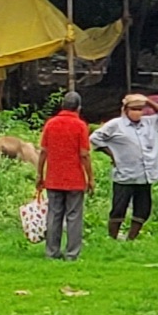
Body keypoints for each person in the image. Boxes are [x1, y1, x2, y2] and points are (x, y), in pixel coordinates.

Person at [90, 92, 158, 240]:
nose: (137, 112)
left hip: (145, 175)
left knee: (143, 208)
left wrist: (148, 102)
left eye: (140, 109)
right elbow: (95, 138)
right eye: (134, 109)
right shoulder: (115, 125)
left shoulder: (150, 123)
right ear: (126, 110)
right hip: (125, 174)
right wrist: (112, 154)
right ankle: (112, 237)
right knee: (119, 208)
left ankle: (131, 238)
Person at [36, 91, 93, 261]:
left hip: (53, 178)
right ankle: (72, 253)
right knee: (74, 216)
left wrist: (39, 174)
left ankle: (52, 252)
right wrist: (90, 178)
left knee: (54, 215)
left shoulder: (51, 124)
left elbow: (43, 152)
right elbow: (84, 154)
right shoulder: (80, 126)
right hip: (75, 179)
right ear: (78, 108)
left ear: (62, 106)